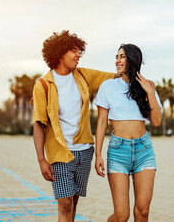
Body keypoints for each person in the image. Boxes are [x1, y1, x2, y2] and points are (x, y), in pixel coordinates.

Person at [32, 30, 117, 222]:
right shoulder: (43, 85)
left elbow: (113, 77)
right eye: (74, 50)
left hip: (84, 150)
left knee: (74, 203)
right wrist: (41, 159)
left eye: (80, 50)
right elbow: (39, 124)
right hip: (60, 152)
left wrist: (130, 68)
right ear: (60, 53)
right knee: (65, 204)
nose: (79, 54)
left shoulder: (83, 76)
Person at [94, 44, 162, 222]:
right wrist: (98, 154)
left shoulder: (149, 86)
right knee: (122, 216)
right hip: (118, 151)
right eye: (116, 56)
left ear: (133, 59)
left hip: (144, 150)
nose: (117, 60)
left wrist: (150, 93)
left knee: (142, 212)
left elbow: (156, 122)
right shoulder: (107, 86)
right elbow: (101, 122)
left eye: (122, 56)